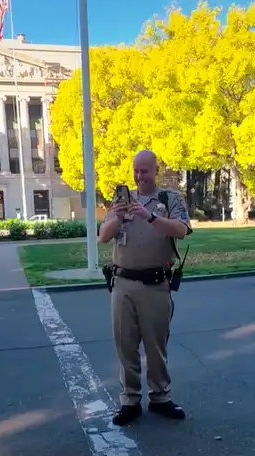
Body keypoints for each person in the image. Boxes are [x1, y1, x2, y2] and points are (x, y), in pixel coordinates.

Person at [98, 149, 192, 426]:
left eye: (145, 171)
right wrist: (119, 218)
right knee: (125, 345)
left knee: (156, 345)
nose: (139, 177)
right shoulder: (120, 201)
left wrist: (149, 216)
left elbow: (182, 230)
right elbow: (104, 237)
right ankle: (130, 400)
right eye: (136, 171)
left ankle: (160, 396)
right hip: (123, 283)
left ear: (155, 171)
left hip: (155, 284)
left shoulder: (168, 199)